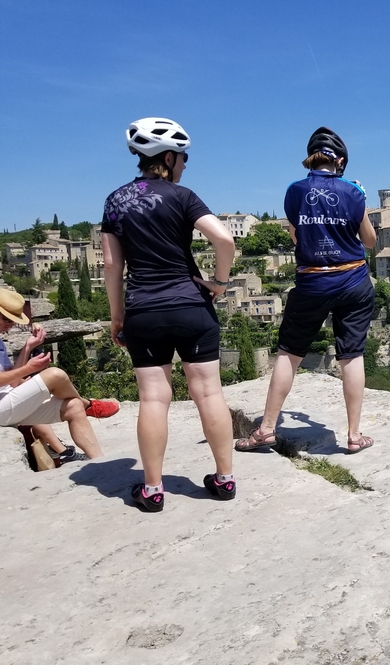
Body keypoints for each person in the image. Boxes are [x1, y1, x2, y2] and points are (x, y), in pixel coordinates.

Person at [101, 117, 237, 513]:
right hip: (191, 305)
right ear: (167, 157)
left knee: (153, 399)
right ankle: (224, 480)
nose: (186, 163)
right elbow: (224, 239)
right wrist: (220, 282)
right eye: (184, 156)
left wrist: (117, 316)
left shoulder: (114, 200)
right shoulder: (183, 196)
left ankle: (153, 489)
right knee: (209, 392)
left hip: (143, 309)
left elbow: (112, 266)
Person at [236, 126, 376, 454]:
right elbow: (369, 241)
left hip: (313, 281)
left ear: (311, 159)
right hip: (353, 280)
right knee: (352, 355)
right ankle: (354, 435)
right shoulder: (354, 191)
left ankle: (266, 429)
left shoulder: (294, 191)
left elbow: (297, 238)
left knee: (289, 353)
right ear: (340, 160)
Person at [0, 288, 118, 459]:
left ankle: (99, 461)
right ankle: (89, 405)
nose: (10, 324)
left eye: (13, 320)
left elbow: (12, 382)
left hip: (7, 402)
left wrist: (28, 347)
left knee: (73, 407)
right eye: (6, 319)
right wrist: (28, 369)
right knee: (54, 374)